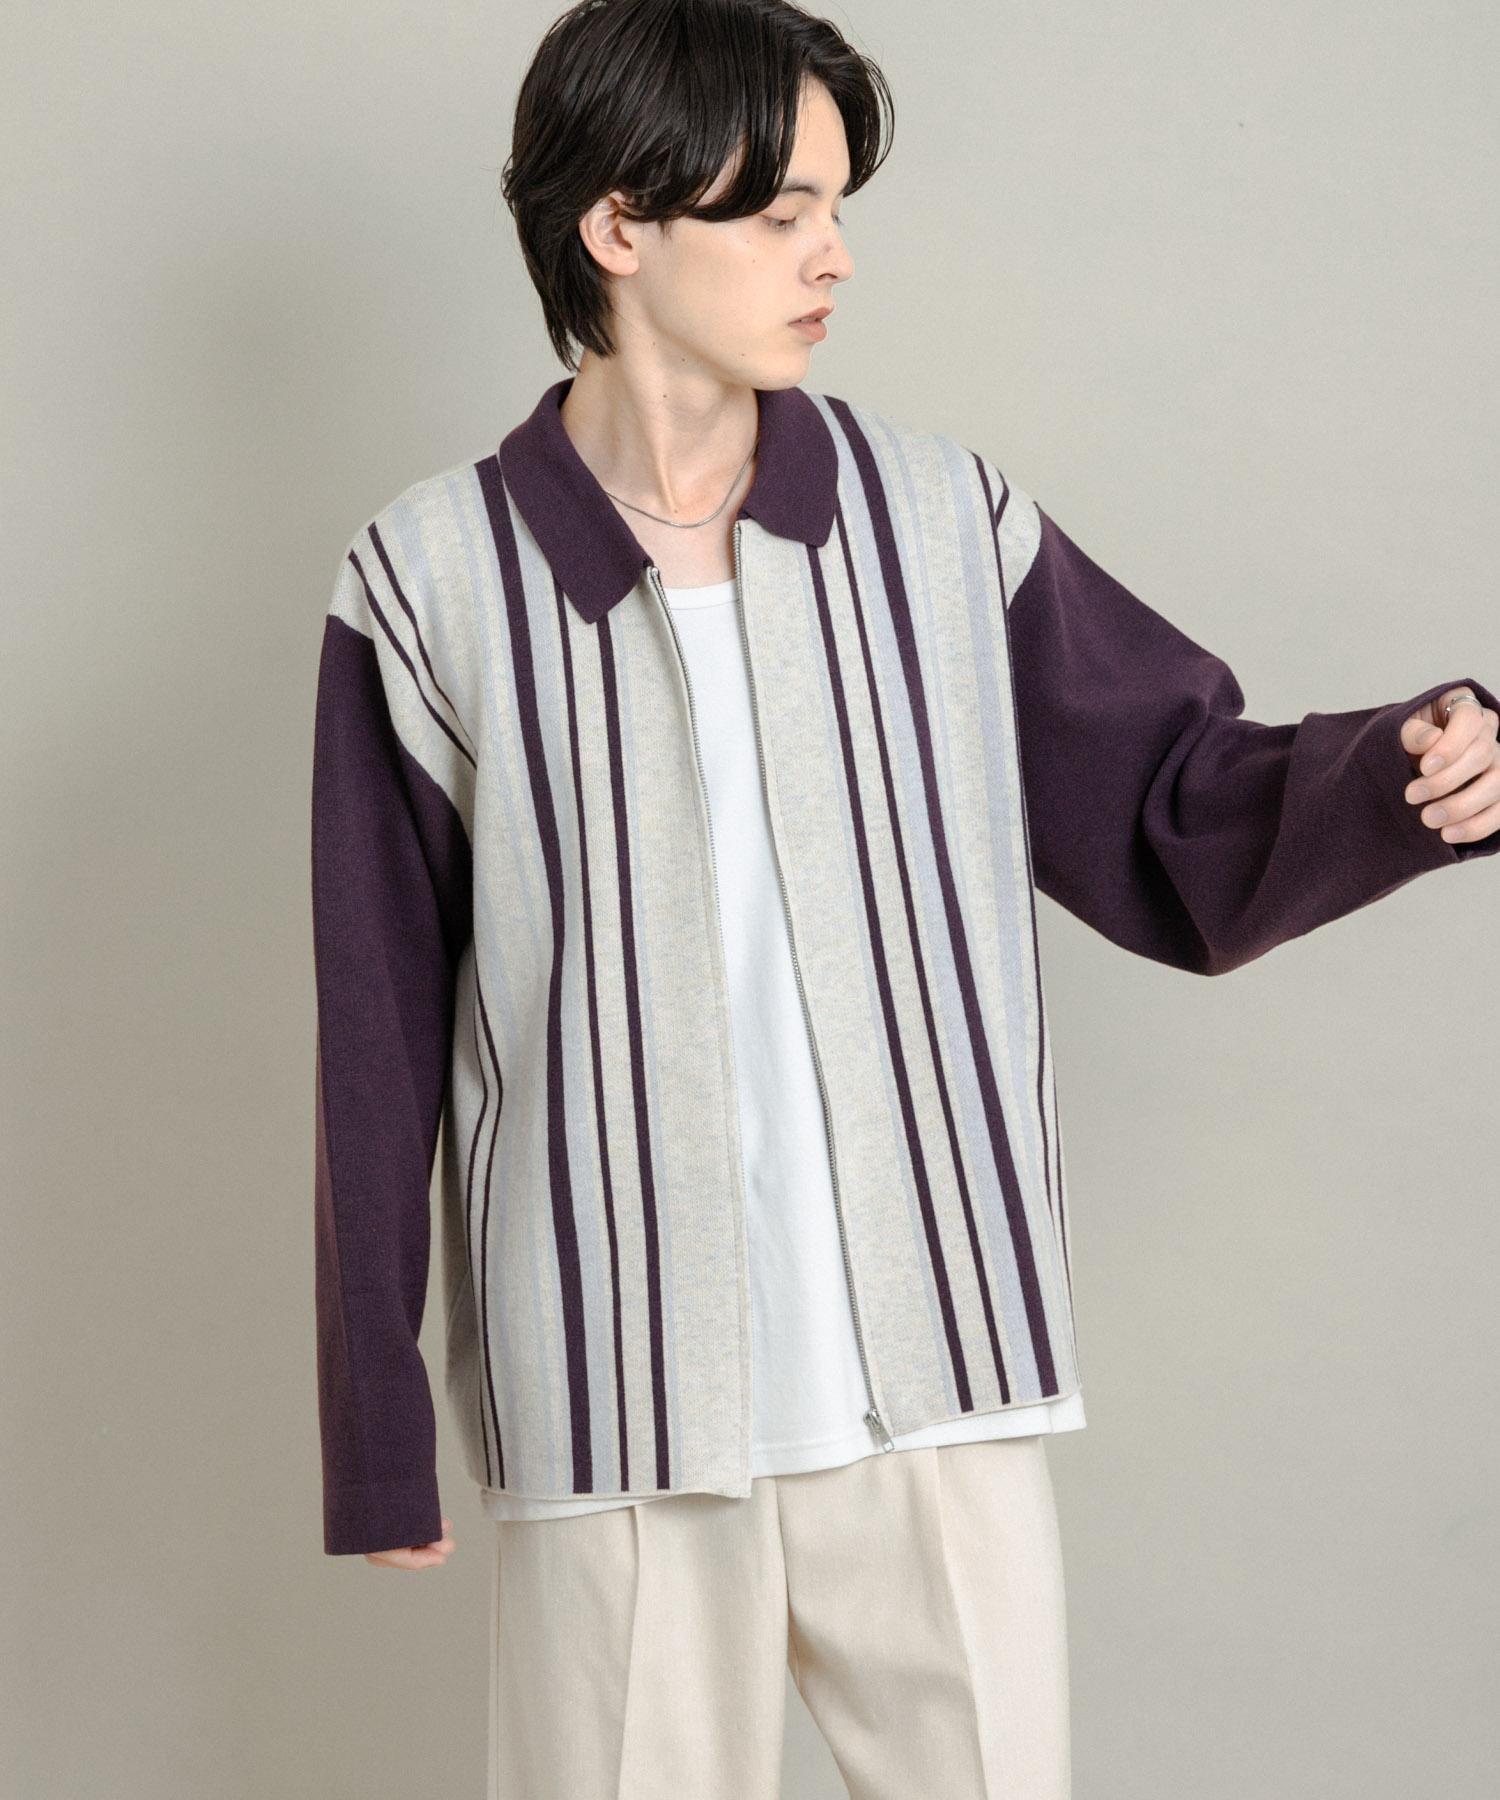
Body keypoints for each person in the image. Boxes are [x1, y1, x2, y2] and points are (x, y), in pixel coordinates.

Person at [308, 2, 1500, 1793]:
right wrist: (378, 1422)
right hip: (618, 1398)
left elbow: (1171, 808)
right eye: (781, 210)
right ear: (617, 226)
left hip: (936, 1374)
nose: (834, 255)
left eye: (838, 207)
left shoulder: (943, 526)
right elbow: (378, 1023)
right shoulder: (428, 584)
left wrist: (1406, 773)